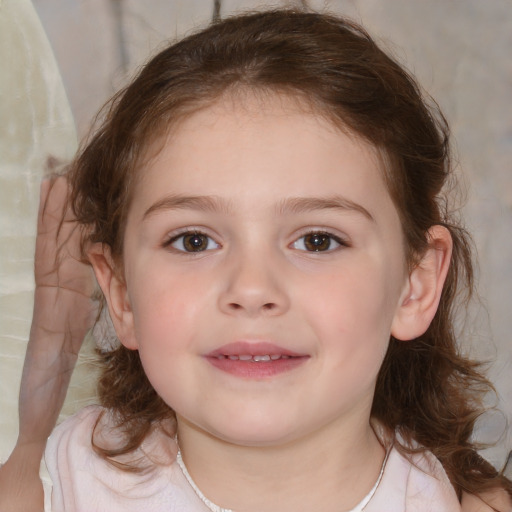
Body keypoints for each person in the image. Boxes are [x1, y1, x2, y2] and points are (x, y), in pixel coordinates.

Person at [1, 8, 511, 512]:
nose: (250, 288)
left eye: (317, 241)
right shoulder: (59, 484)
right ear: (120, 293)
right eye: (193, 241)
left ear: (415, 285)